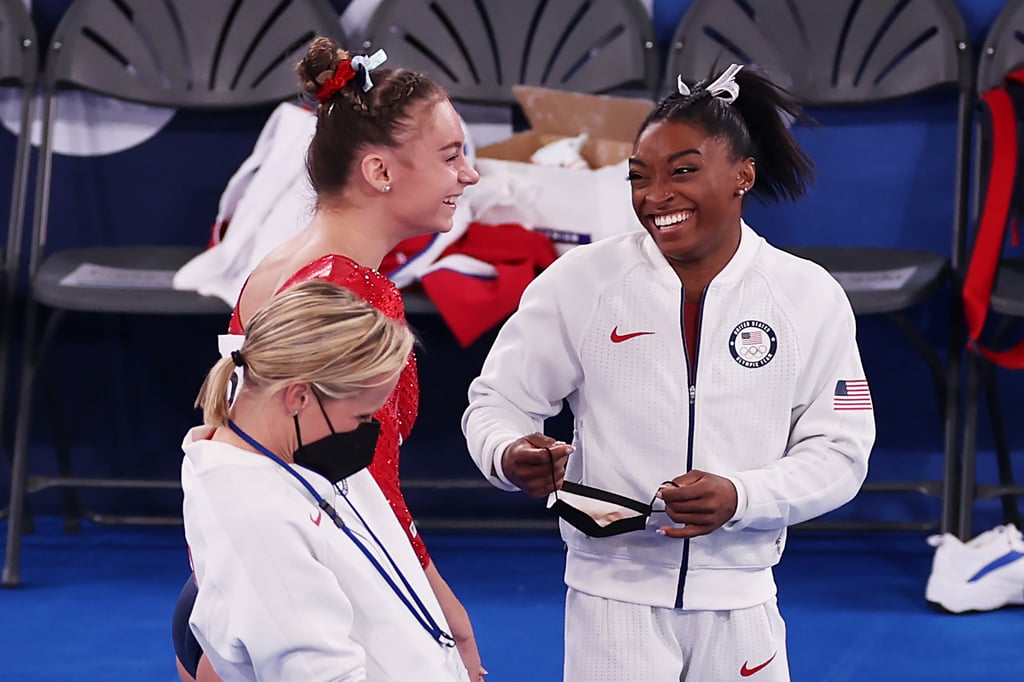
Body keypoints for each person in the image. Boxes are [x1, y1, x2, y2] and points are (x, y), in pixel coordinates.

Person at [461, 64, 874, 682]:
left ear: (743, 175)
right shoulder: (579, 282)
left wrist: (742, 497)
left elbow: (841, 452)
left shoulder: (808, 296)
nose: (656, 196)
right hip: (611, 600)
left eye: (683, 171)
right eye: (639, 177)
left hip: (742, 604)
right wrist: (508, 451)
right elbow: (495, 404)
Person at [174, 35, 484, 682]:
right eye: (452, 155)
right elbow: (373, 491)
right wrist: (447, 617)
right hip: (303, 609)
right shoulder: (358, 297)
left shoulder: (284, 259)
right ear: (379, 171)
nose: (470, 174)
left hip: (229, 595)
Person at [181, 279, 468, 680]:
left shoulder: (301, 453)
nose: (369, 432)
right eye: (363, 417)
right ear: (298, 397)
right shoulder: (257, 518)